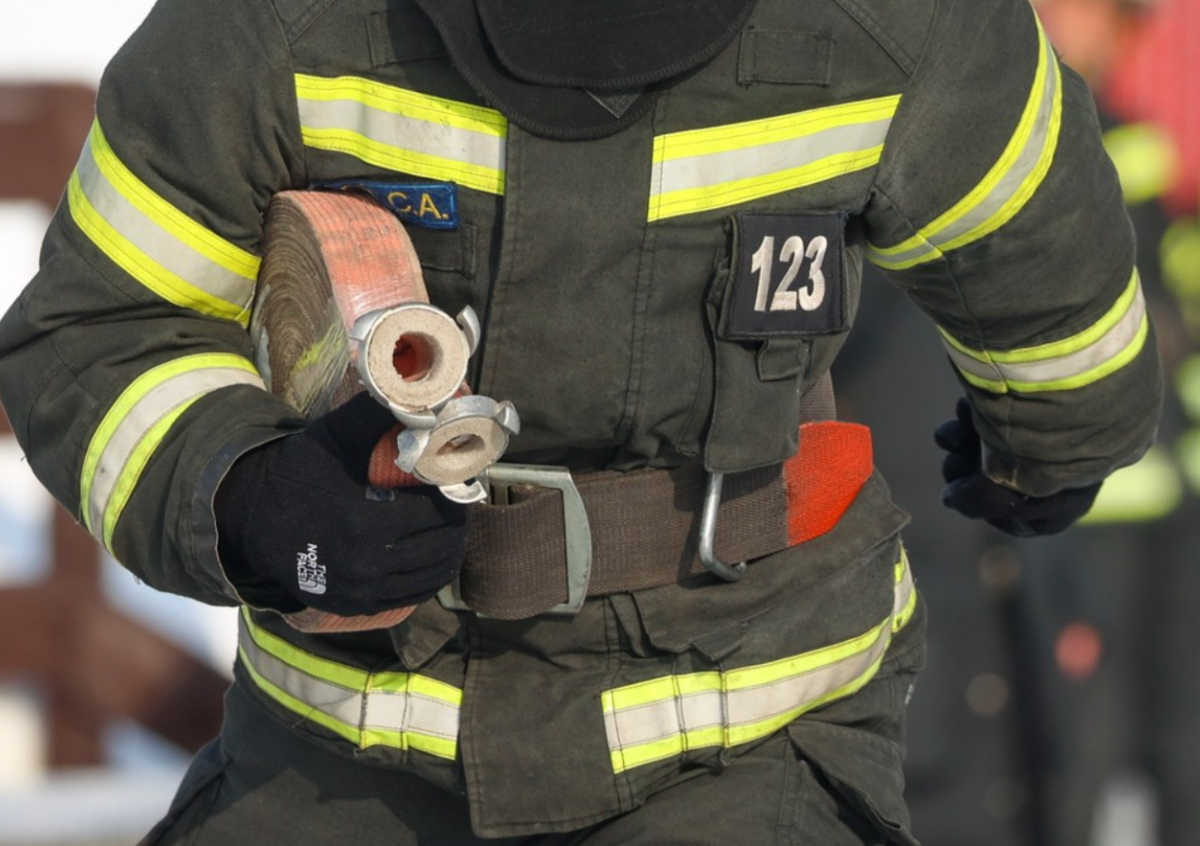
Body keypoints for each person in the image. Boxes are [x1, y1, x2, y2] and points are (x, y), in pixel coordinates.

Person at [0, 0, 1161, 843]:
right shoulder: (274, 27)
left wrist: (1062, 425)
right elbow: (101, 327)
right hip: (350, 734)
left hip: (747, 737)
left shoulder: (892, 25)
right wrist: (246, 494)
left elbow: (1038, 241)